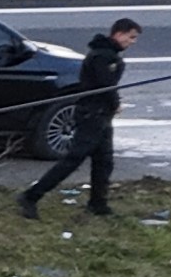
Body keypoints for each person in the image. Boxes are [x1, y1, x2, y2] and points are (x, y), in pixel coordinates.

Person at [20, 18, 140, 220]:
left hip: (101, 115)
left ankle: (98, 204)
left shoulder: (106, 54)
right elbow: (106, 85)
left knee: (104, 161)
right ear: (119, 34)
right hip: (92, 114)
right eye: (131, 37)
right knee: (73, 160)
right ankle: (31, 196)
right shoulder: (104, 56)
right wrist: (116, 103)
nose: (133, 42)